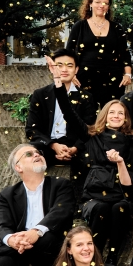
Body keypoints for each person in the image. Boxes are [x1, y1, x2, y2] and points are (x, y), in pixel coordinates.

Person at [55, 87, 133, 266]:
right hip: (96, 193)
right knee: (101, 209)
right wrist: (59, 86)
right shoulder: (91, 136)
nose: (116, 116)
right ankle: (96, 256)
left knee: (120, 208)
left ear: (126, 118)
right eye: (112, 112)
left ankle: (112, 259)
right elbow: (69, 112)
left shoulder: (132, 139)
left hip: (122, 191)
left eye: (120, 113)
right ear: (104, 115)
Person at [25, 49, 94, 185]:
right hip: (48, 145)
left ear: (76, 69)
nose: (64, 69)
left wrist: (74, 149)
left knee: (92, 156)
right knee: (28, 154)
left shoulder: (85, 97)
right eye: (59, 65)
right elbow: (32, 129)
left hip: (75, 147)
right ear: (52, 68)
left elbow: (90, 128)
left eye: (69, 66)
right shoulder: (40, 94)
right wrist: (54, 145)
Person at [66, 0, 133, 108]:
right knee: (85, 115)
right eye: (97, 2)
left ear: (108, 7)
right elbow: (69, 53)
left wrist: (128, 74)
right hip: (83, 78)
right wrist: (71, 75)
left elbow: (124, 53)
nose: (101, 5)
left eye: (105, 3)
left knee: (109, 114)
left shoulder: (117, 28)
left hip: (113, 80)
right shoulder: (79, 26)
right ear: (90, 4)